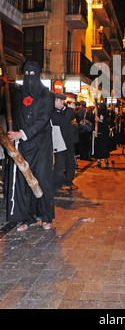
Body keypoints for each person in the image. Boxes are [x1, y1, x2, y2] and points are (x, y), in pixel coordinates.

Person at [6, 61, 55, 230]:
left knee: (42, 179)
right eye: (26, 74)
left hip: (41, 144)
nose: (29, 77)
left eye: (32, 74)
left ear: (38, 74)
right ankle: (27, 217)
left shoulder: (47, 95)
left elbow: (43, 119)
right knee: (22, 181)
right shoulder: (17, 94)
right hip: (22, 145)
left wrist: (22, 133)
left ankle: (46, 216)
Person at [51, 93, 77, 193]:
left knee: (70, 163)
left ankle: (68, 182)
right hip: (59, 143)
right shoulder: (52, 112)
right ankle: (57, 186)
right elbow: (65, 120)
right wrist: (70, 110)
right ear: (55, 101)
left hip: (68, 142)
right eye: (61, 100)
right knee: (59, 165)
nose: (63, 102)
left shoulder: (63, 111)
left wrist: (69, 110)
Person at [93, 102, 111, 168]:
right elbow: (92, 120)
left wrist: (100, 120)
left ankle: (106, 162)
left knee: (104, 149)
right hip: (97, 133)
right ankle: (99, 162)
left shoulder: (107, 114)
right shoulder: (96, 113)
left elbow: (108, 122)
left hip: (104, 134)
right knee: (98, 149)